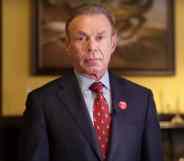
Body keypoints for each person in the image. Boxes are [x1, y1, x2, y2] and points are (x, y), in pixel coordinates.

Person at [19, 4, 163, 161]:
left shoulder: (142, 99)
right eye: (81, 38)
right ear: (68, 45)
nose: (92, 47)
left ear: (113, 43)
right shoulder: (42, 102)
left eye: (100, 38)